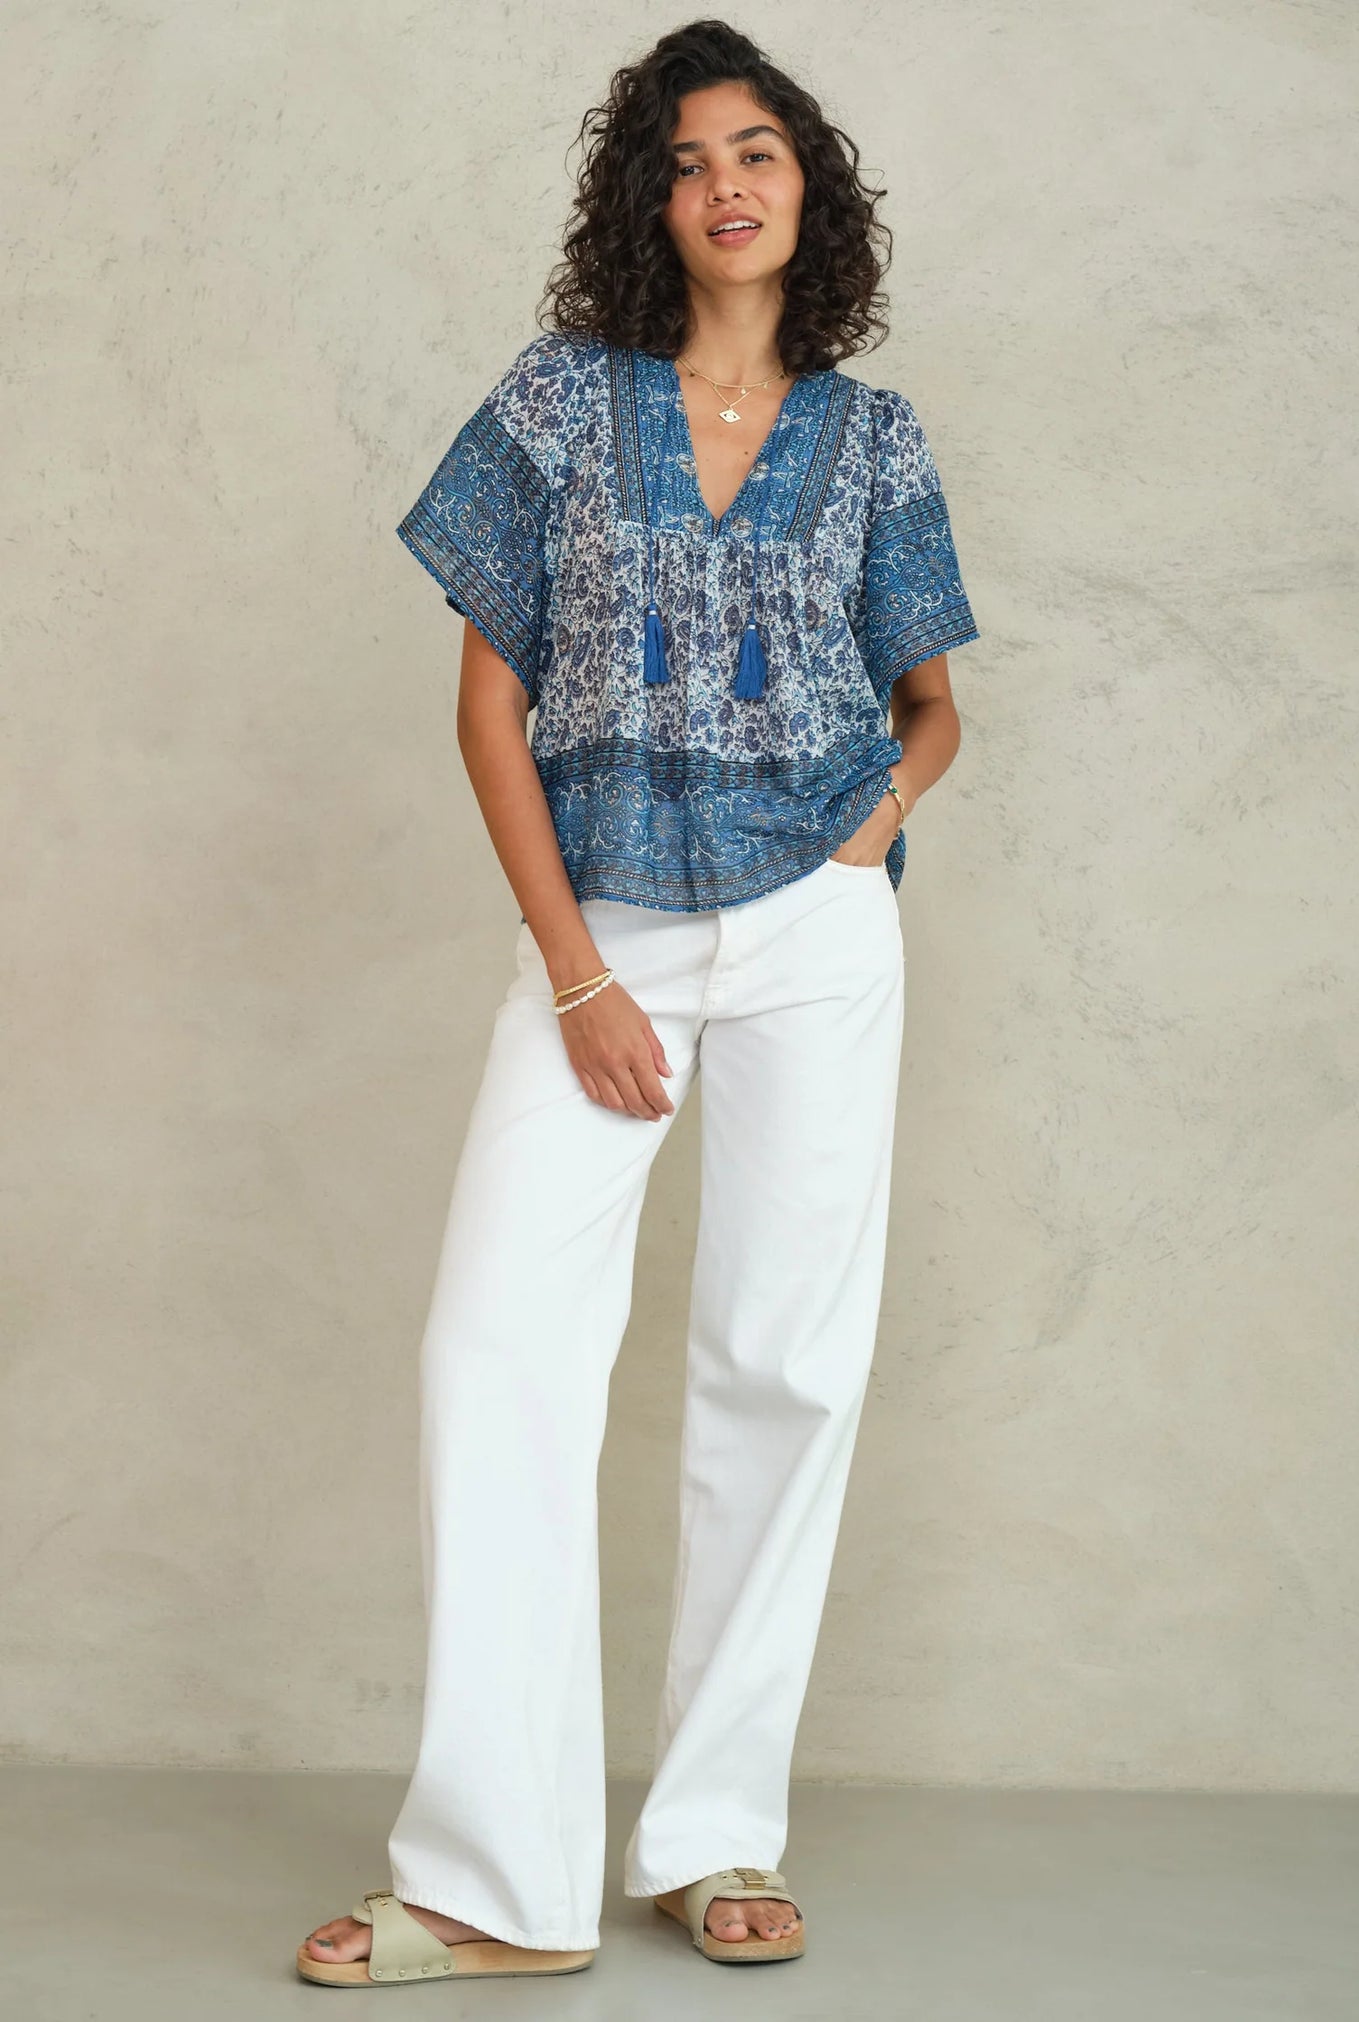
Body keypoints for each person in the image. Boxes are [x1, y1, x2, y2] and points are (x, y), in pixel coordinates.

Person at [296, 17, 978, 1987]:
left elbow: (934, 704)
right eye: (685, 161)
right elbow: (487, 702)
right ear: (645, 203)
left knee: (785, 1366)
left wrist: (871, 829)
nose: (724, 184)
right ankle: (491, 1881)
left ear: (807, 186)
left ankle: (712, 1835)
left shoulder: (877, 438)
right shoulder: (558, 407)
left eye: (756, 150)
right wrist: (579, 971)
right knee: (495, 1353)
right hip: (603, 932)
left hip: (820, 936)